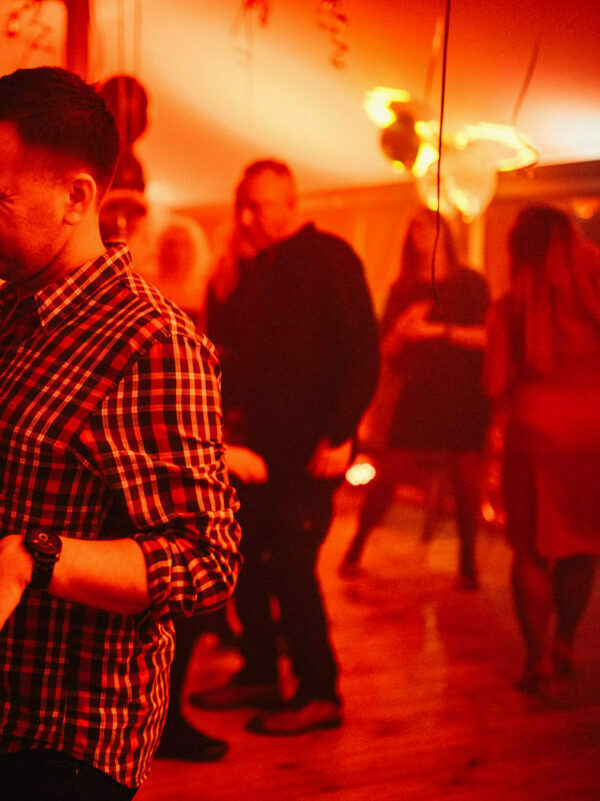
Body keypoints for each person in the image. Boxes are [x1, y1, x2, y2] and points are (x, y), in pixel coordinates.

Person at [0, 67, 241, 800]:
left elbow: (205, 558)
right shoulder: (8, 315)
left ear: (78, 197)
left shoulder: (150, 341)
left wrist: (36, 556)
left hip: (66, 739)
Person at [190, 159, 379, 735]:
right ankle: (262, 671)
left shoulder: (331, 258)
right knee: (245, 561)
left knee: (294, 568)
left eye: (259, 205)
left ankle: (321, 691)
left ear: (290, 202)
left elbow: (360, 351)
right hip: (259, 448)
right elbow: (242, 355)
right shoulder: (255, 266)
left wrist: (342, 432)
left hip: (310, 448)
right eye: (242, 204)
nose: (247, 216)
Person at [483, 205, 600, 695]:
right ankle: (567, 643)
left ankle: (537, 661)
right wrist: (592, 269)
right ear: (573, 241)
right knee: (584, 542)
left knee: (532, 547)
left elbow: (494, 383)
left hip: (539, 433)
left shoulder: (511, 306)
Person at [339, 209, 490, 589]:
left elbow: (490, 338)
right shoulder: (403, 288)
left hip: (463, 395)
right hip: (418, 394)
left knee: (466, 480)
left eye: (426, 225)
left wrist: (438, 331)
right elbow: (385, 351)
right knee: (389, 473)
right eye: (413, 228)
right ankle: (356, 548)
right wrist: (405, 331)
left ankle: (468, 565)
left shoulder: (470, 283)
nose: (418, 233)